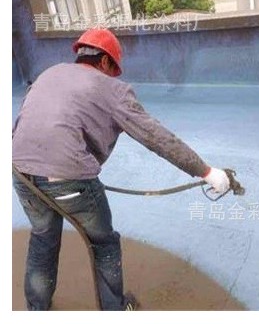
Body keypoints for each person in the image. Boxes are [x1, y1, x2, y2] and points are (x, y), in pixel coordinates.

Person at [12, 28, 230, 311]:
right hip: (69, 181)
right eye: (113, 69)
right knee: (104, 244)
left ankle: (36, 309)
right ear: (104, 61)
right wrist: (206, 172)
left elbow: (24, 122)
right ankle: (115, 310)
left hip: (20, 172)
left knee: (43, 236)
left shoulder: (49, 74)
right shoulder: (112, 90)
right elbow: (156, 137)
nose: (113, 76)